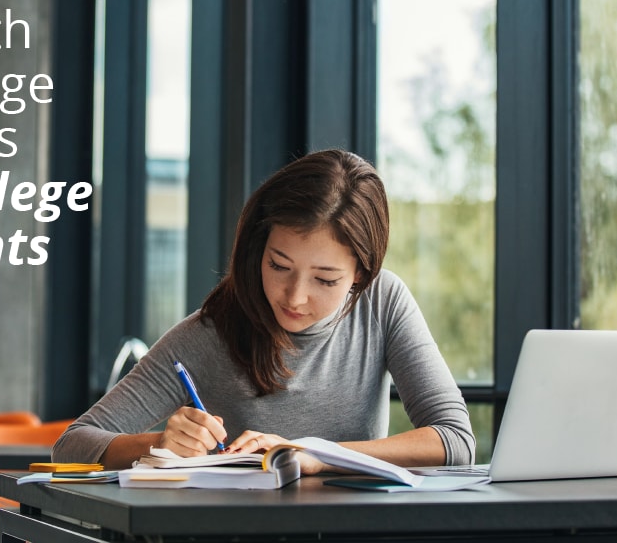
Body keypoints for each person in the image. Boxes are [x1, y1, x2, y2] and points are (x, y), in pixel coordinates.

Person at [52, 149, 475, 472]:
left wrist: (312, 454)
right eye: (278, 266)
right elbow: (71, 444)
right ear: (258, 249)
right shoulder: (211, 333)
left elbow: (454, 440)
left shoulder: (382, 302)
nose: (294, 297)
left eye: (325, 280)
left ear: (361, 275)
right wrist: (158, 443)